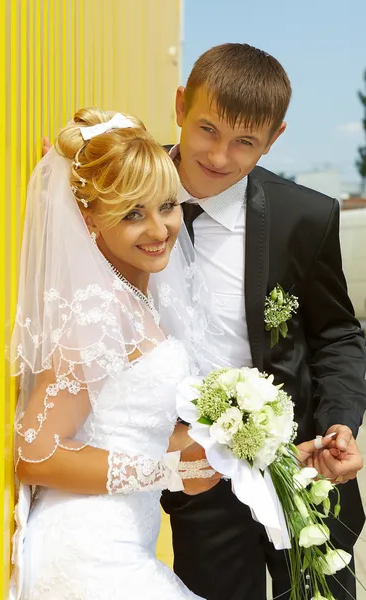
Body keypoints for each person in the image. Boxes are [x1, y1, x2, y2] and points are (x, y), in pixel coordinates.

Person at [158, 43, 366, 600]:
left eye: (245, 141)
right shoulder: (126, 190)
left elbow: (336, 334)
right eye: (208, 130)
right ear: (180, 105)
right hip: (198, 478)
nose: (221, 157)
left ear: (274, 139)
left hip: (302, 463)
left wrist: (340, 422)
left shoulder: (305, 216)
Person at [8, 108, 224, 600]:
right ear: (88, 221)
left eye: (166, 206)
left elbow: (130, 425)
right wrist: (164, 472)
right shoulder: (98, 310)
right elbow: (35, 453)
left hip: (121, 545)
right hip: (88, 554)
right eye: (131, 213)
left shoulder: (134, 299)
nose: (159, 229)